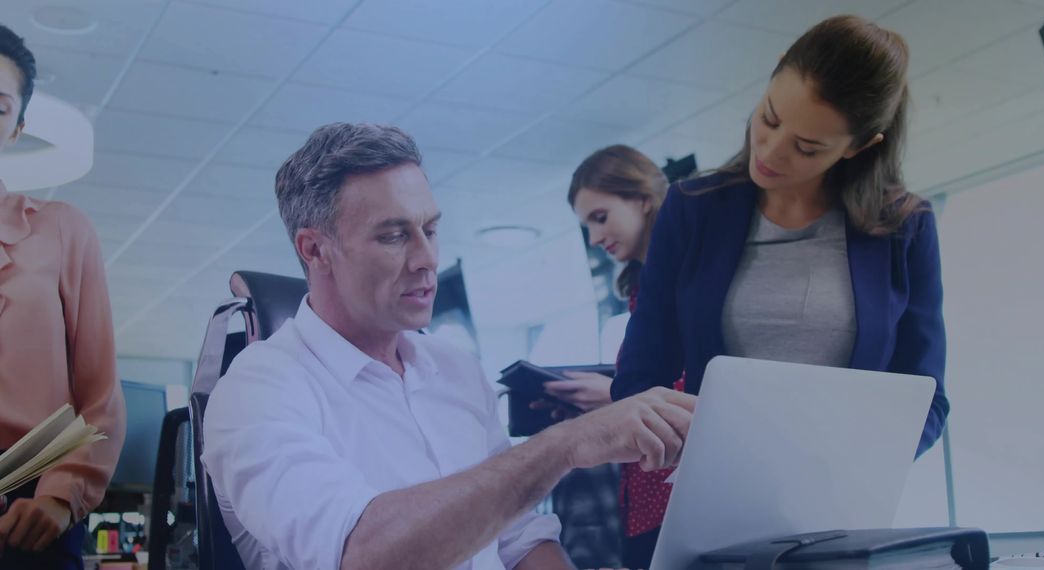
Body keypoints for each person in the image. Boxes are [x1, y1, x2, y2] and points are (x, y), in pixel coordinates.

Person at [201, 123, 696, 570]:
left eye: (431, 229)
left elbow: (518, 540)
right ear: (315, 249)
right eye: (395, 236)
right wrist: (565, 445)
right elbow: (362, 554)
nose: (427, 258)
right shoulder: (257, 390)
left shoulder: (455, 369)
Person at [612, 15, 951, 566]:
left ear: (859, 146)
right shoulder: (692, 208)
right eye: (768, 118)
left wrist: (860, 467)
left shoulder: (904, 228)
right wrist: (664, 440)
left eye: (808, 146)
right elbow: (640, 371)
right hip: (710, 509)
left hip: (838, 520)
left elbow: (927, 396)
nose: (770, 151)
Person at [0, 23, 126, 569]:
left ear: (16, 126)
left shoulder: (61, 230)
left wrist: (60, 494)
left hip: (29, 498)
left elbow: (99, 395)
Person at [536, 144, 684, 566]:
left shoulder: (690, 282)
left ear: (642, 198)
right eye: (587, 225)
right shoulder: (642, 291)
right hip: (644, 498)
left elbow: (706, 385)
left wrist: (614, 399)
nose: (595, 238)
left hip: (678, 496)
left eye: (600, 218)